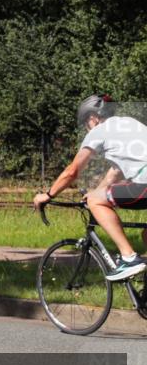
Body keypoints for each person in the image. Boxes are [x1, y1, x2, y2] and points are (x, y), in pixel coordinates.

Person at [33, 94, 147, 281]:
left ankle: (129, 258)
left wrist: (48, 194)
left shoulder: (99, 131)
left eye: (86, 123)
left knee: (96, 201)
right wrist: (97, 192)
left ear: (93, 118)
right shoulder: (129, 123)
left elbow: (73, 171)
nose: (87, 128)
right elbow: (115, 172)